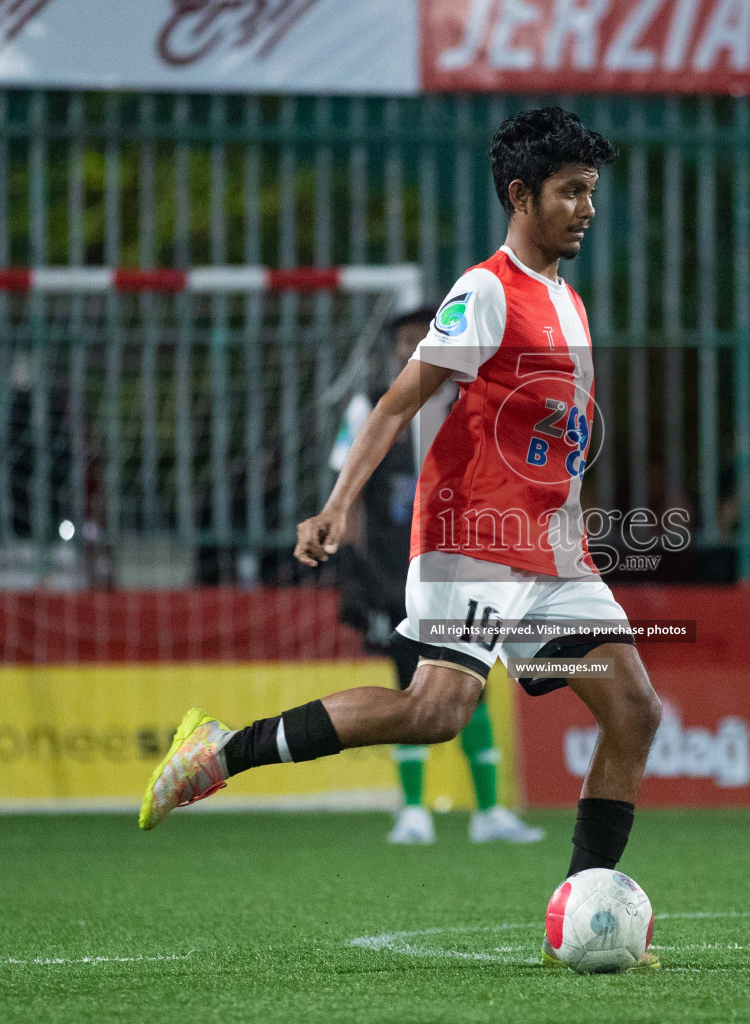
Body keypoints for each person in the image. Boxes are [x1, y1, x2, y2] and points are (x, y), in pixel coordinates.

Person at [140, 107, 662, 971]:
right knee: (435, 714)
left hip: (551, 549)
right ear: (520, 195)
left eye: (592, 192)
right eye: (570, 192)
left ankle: (579, 915)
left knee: (635, 711)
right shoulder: (486, 290)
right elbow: (395, 403)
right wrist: (337, 506)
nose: (586, 209)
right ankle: (220, 752)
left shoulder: (566, 297)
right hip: (471, 537)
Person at [330, 306, 544, 846]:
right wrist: (353, 570)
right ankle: (413, 811)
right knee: (409, 685)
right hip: (393, 573)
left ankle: (490, 812)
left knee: (473, 684)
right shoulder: (371, 406)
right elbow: (350, 490)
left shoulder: (469, 400)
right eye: (403, 340)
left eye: (419, 337)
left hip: (463, 571)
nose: (411, 348)